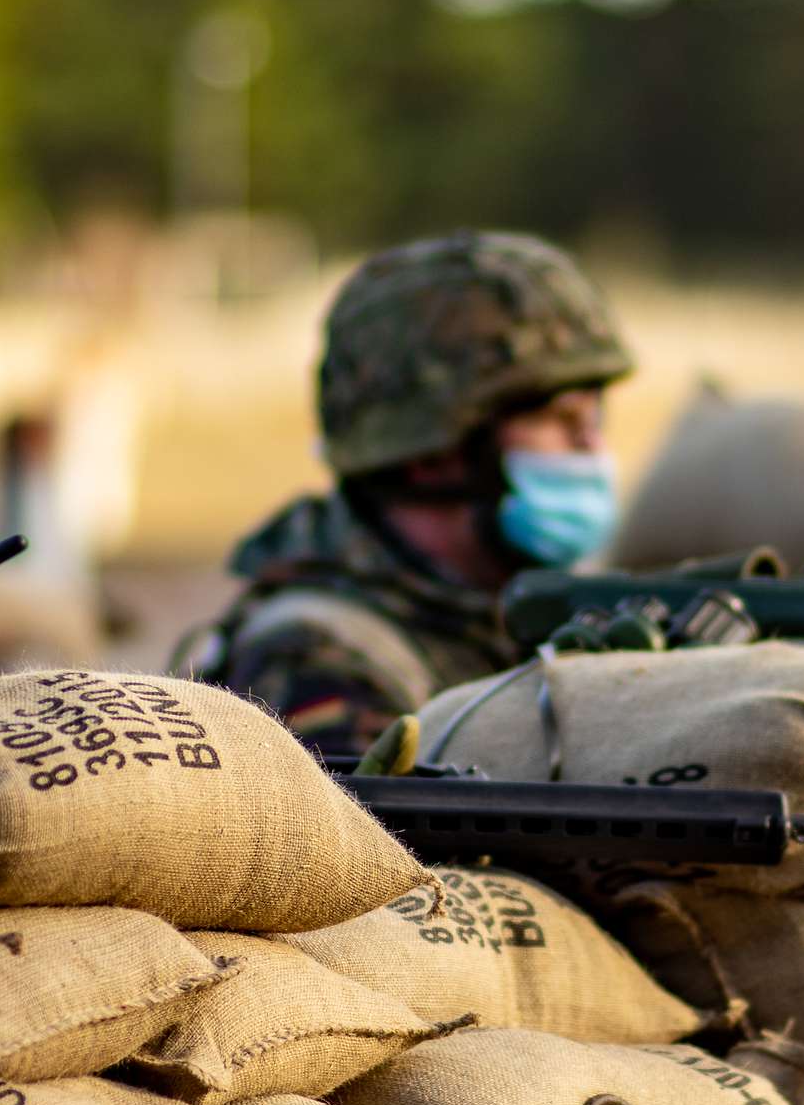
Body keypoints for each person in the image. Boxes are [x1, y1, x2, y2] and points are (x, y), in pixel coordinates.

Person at [178, 229, 632, 767]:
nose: (592, 446)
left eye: (594, 416)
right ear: (432, 453)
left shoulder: (520, 612)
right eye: (558, 419)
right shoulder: (321, 658)